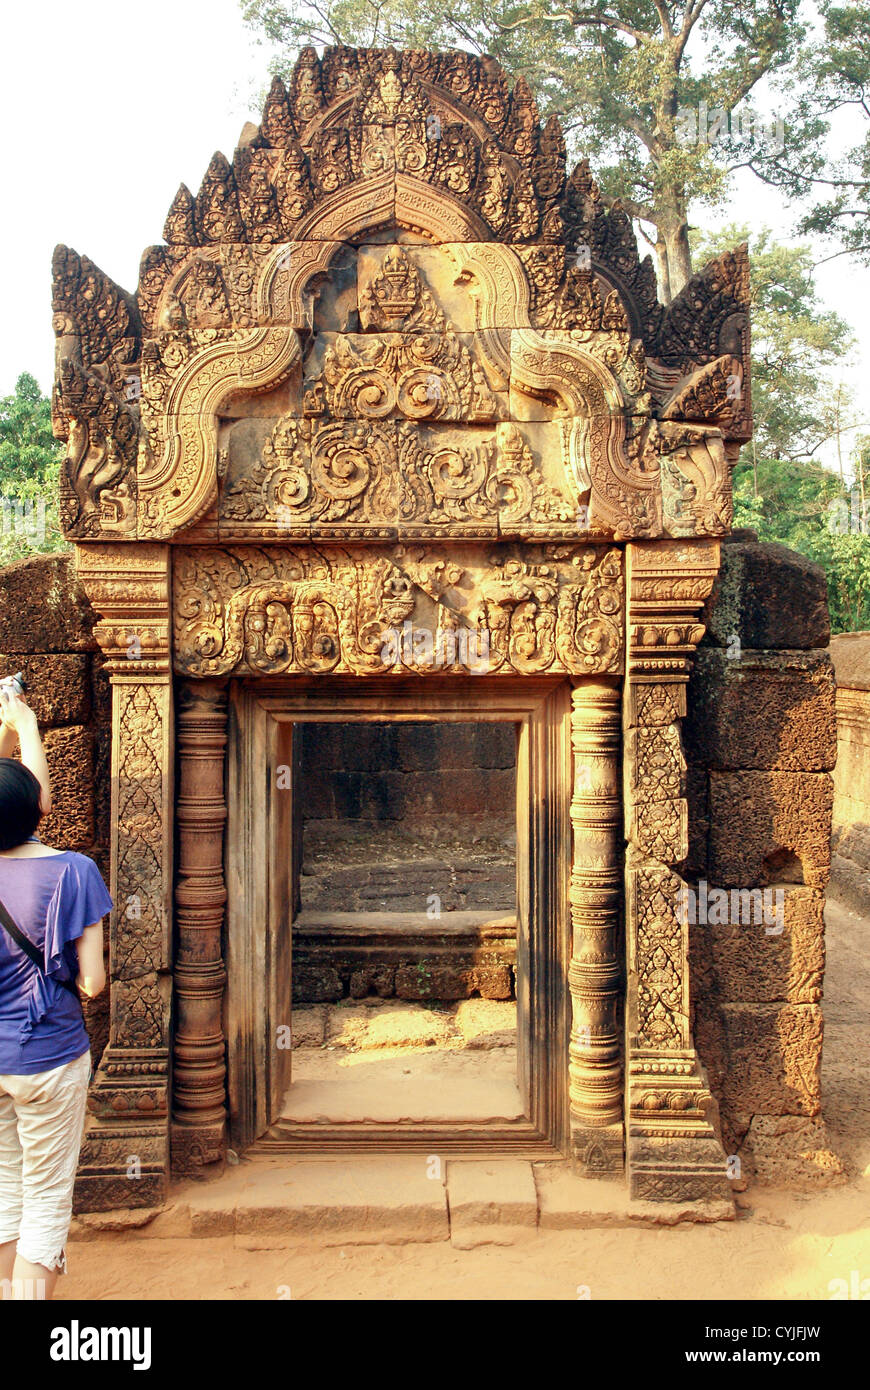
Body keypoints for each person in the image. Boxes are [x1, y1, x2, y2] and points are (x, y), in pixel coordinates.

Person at [0, 686, 111, 1300]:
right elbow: (93, 982)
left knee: (4, 1189)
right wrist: (29, 727)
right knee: (44, 1198)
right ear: (37, 809)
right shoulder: (74, 872)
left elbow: (20, 803)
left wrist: (14, 731)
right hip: (48, 1057)